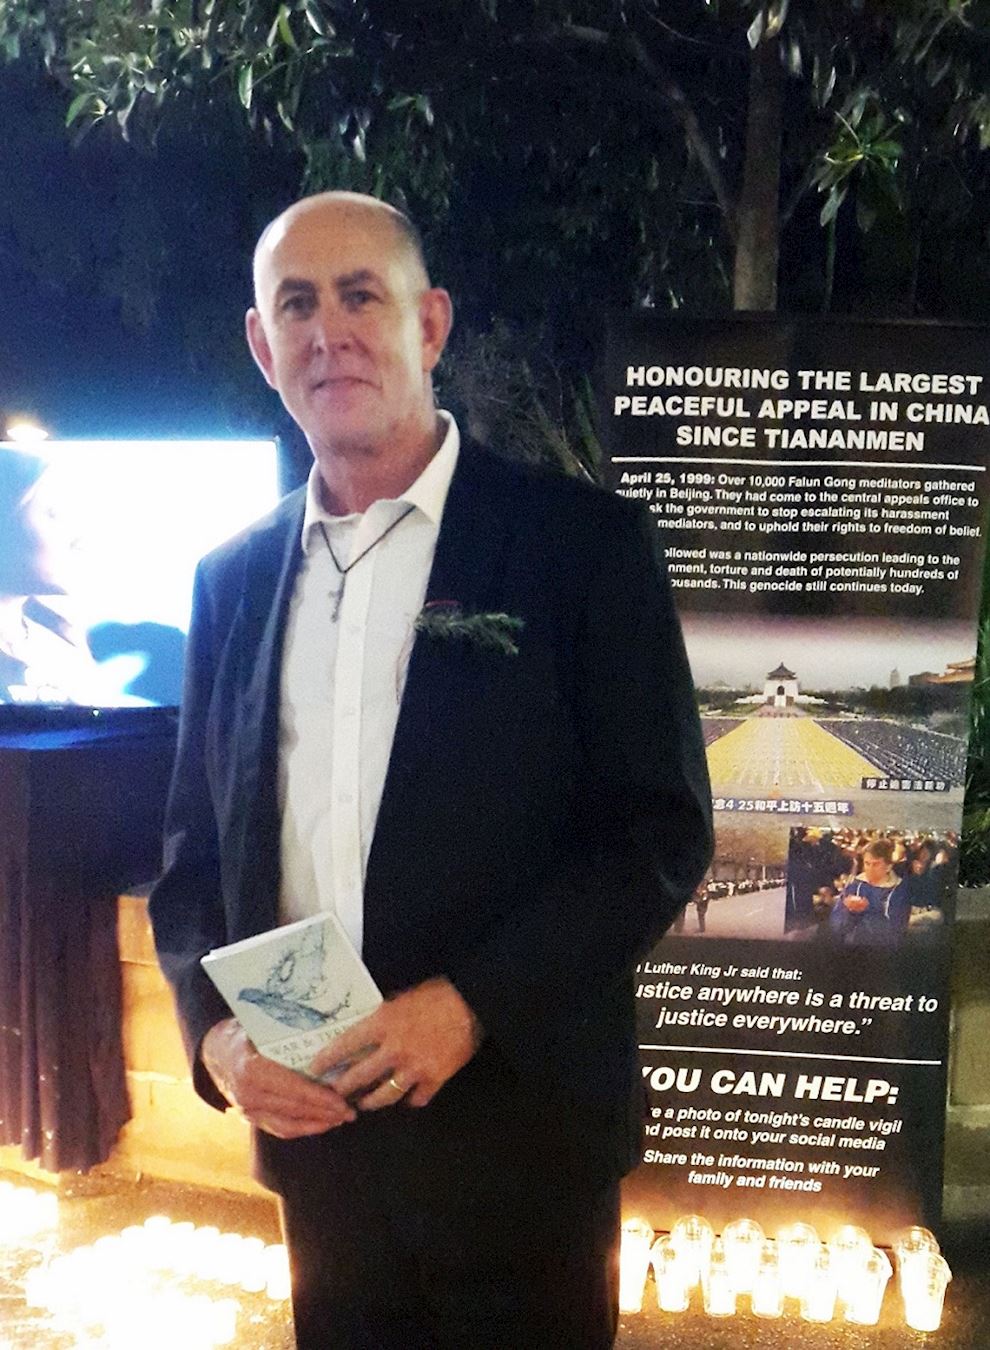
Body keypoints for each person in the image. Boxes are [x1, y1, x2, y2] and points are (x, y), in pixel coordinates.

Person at [149, 191, 712, 1349]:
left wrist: (471, 1005)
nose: (329, 333)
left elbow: (658, 835)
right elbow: (192, 859)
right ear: (261, 343)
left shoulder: (580, 548)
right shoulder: (230, 580)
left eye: (361, 295)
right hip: (321, 1149)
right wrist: (216, 1039)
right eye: (296, 305)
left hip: (524, 1138)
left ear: (432, 324)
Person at [828, 837, 911, 946]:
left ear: (888, 866)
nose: (870, 869)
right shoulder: (855, 885)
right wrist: (850, 912)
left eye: (876, 864)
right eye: (867, 863)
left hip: (881, 952)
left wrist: (866, 910)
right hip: (849, 949)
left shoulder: (898, 891)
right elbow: (835, 924)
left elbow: (895, 932)